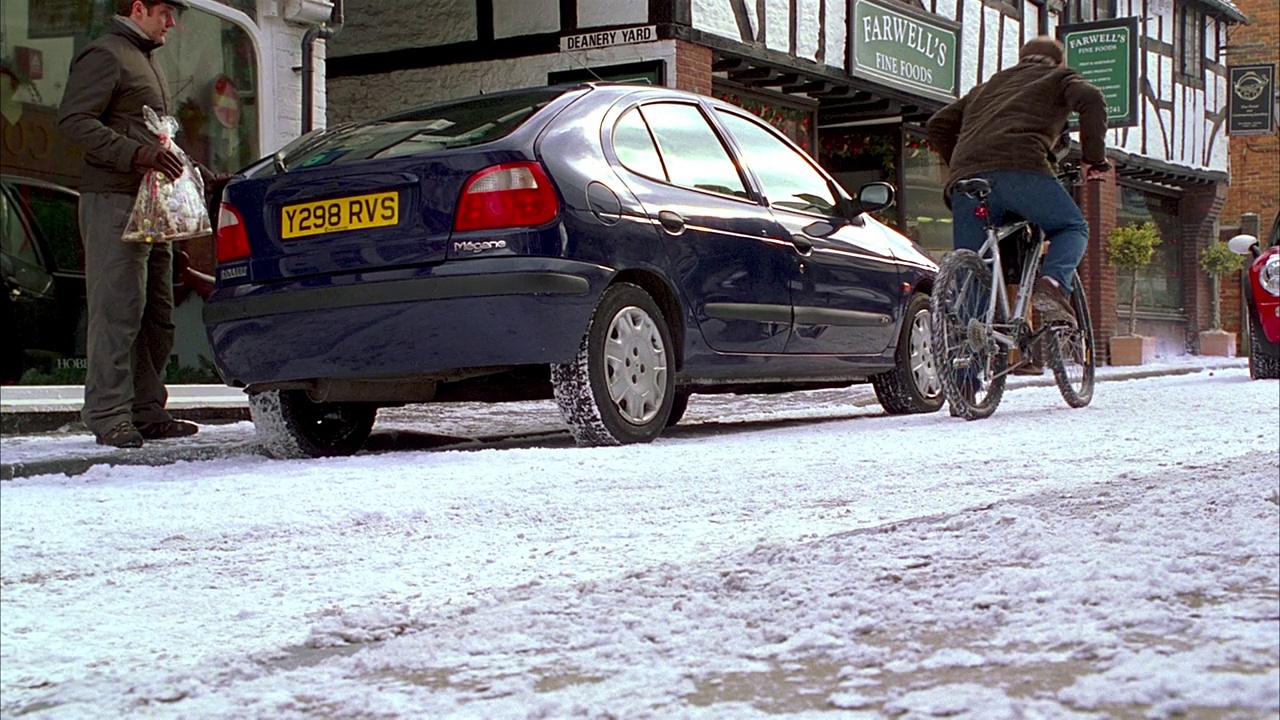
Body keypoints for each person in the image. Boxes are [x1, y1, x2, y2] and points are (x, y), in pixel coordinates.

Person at [57, 0, 202, 448]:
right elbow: (73, 121)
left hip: (150, 203)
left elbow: (154, 136)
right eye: (165, 13)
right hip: (113, 200)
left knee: (156, 311)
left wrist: (194, 172)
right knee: (117, 310)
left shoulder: (143, 59)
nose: (172, 24)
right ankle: (107, 414)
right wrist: (135, 155)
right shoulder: (106, 54)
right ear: (138, 8)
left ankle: (145, 410)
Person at [926, 35, 1110, 328]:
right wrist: (1093, 160)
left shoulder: (985, 89)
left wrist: (962, 164)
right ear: (1059, 62)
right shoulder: (1059, 77)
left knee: (974, 271)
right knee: (1071, 227)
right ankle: (1052, 283)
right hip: (1022, 168)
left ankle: (965, 365)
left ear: (1021, 59)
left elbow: (937, 124)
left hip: (967, 183)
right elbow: (1091, 99)